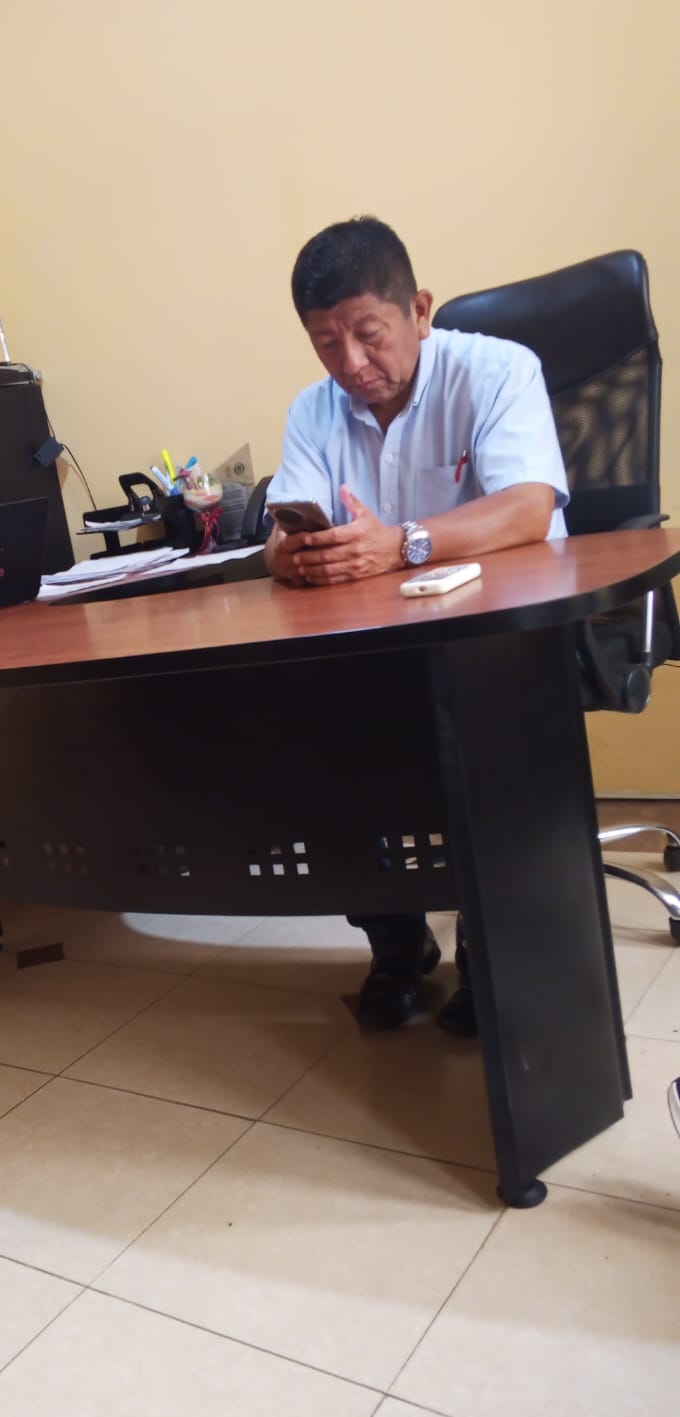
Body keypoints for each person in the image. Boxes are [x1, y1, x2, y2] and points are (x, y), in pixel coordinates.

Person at [264, 216, 570, 1034]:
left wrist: (402, 543)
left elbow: (529, 508)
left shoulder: (498, 371)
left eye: (368, 334)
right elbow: (278, 540)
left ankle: (487, 946)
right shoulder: (313, 411)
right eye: (326, 344)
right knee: (305, 729)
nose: (350, 363)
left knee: (471, 737)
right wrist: (299, 557)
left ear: (420, 310)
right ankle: (397, 941)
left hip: (498, 640)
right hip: (380, 648)